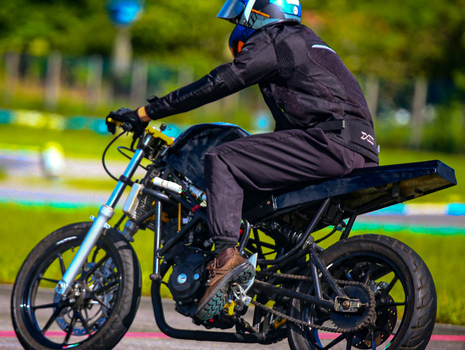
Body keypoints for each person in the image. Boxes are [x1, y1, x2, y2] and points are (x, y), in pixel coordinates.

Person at [106, 0, 379, 321]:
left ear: (263, 10)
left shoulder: (277, 37)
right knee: (261, 206)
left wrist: (145, 112)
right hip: (360, 150)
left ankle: (225, 259)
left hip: (329, 144)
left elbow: (218, 82)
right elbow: (292, 129)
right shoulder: (308, 42)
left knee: (222, 159)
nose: (244, 35)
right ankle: (279, 300)